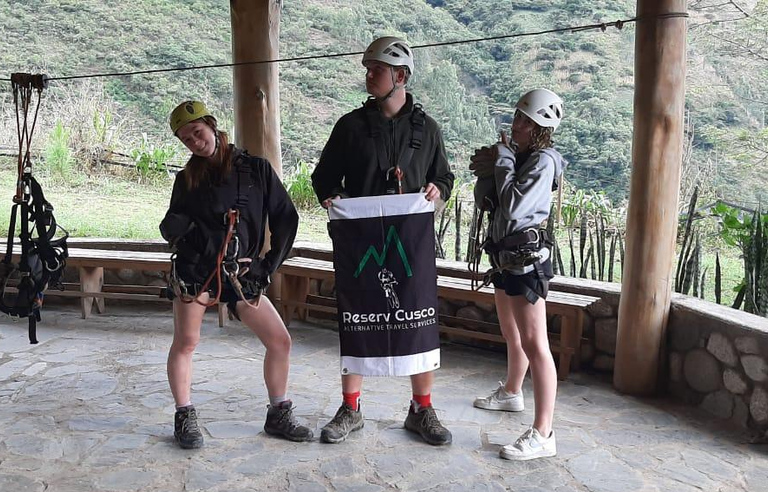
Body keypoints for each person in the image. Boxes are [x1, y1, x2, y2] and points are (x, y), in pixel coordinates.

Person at [311, 36, 455, 445]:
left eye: (376, 69)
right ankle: (351, 407)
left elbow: (444, 176)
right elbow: (324, 177)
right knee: (356, 314)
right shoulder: (350, 127)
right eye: (368, 68)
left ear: (401, 75)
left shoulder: (427, 129)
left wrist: (436, 191)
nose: (368, 75)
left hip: (410, 244)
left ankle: (421, 408)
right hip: (363, 244)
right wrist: (332, 197)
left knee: (418, 317)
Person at [159, 100, 313, 449]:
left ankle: (279, 413)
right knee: (186, 342)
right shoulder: (187, 178)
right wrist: (176, 227)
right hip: (197, 270)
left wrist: (267, 266)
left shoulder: (256, 170)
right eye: (186, 139)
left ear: (212, 126)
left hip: (242, 272)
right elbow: (171, 223)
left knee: (280, 341)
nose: (194, 142)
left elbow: (286, 218)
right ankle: (184, 415)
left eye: (197, 133)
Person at [470, 88, 566, 461]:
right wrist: (492, 170)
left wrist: (504, 161)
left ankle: (544, 431)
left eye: (527, 120)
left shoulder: (541, 162)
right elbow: (490, 202)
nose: (518, 124)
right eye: (519, 116)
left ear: (541, 127)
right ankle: (512, 392)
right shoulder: (523, 158)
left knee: (535, 343)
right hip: (505, 258)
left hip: (526, 262)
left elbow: (512, 209)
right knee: (512, 333)